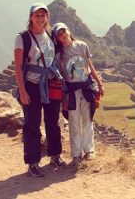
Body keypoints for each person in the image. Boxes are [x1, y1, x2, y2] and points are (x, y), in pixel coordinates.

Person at [14, 2, 66, 177]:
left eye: (43, 15)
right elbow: (19, 67)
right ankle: (33, 162)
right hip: (32, 85)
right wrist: (22, 91)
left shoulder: (50, 35)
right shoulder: (23, 38)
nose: (40, 18)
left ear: (47, 17)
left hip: (50, 83)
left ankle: (55, 155)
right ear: (31, 17)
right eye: (37, 15)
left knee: (53, 121)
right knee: (32, 124)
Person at [52, 22, 105, 166]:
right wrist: (63, 96)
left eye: (64, 31)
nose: (63, 35)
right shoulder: (59, 55)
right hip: (71, 92)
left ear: (69, 30)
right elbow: (59, 74)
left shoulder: (82, 46)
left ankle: (89, 151)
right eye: (59, 34)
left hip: (86, 88)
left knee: (87, 120)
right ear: (57, 38)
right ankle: (76, 154)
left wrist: (99, 83)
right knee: (74, 123)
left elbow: (89, 66)